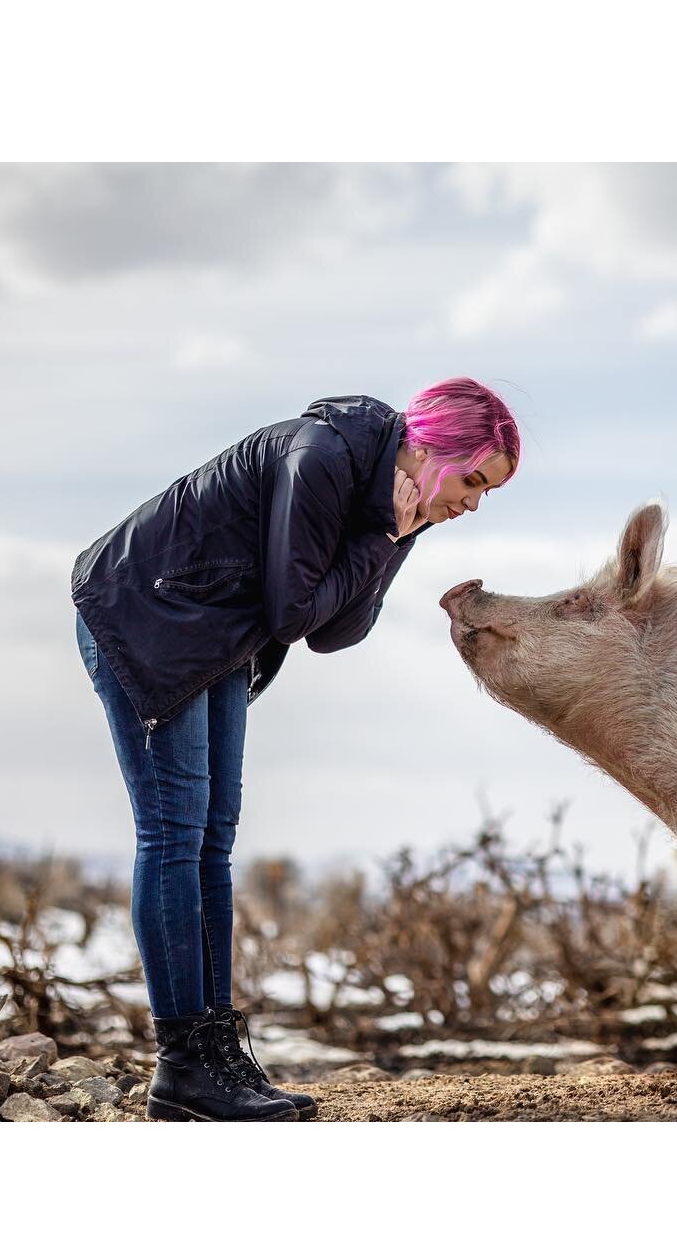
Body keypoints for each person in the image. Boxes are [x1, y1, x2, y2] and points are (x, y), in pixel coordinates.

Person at [70, 379, 520, 1121]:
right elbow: (293, 612)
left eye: (486, 492)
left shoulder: (399, 503)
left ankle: (215, 1057)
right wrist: (383, 541)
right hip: (145, 611)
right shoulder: (322, 458)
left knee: (213, 841)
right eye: (472, 479)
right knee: (174, 835)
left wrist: (394, 540)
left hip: (215, 631)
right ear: (429, 446)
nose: (472, 503)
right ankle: (183, 1067)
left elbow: (333, 632)